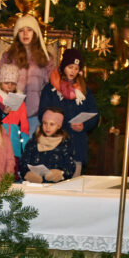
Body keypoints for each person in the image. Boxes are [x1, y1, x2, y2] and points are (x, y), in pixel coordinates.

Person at [39, 48, 98, 177]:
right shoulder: (50, 89)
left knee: (74, 184)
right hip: (54, 145)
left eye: (76, 68)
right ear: (63, 66)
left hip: (76, 146)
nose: (73, 71)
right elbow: (42, 113)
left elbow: (94, 113)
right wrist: (60, 123)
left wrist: (84, 125)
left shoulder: (84, 90)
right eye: (70, 67)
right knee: (53, 182)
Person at [0, 14, 53, 132]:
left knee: (31, 142)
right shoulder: (9, 57)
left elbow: (51, 86)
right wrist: (2, 101)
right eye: (21, 30)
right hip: (12, 112)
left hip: (35, 114)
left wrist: (46, 109)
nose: (25, 34)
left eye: (29, 30)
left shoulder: (45, 58)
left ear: (35, 33)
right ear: (16, 34)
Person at [19, 107, 77, 183]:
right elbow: (23, 163)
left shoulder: (65, 144)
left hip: (57, 186)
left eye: (52, 124)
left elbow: (70, 166)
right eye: (45, 123)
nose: (47, 127)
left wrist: (60, 174)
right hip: (34, 186)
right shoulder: (33, 143)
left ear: (59, 126)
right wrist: (27, 174)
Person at [0, 63, 30, 166]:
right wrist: (3, 113)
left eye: (13, 83)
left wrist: (25, 146)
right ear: (0, 82)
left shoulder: (20, 102)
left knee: (12, 171)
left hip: (14, 145)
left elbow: (24, 127)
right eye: (6, 83)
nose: (9, 86)